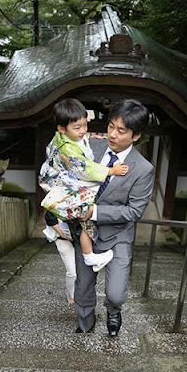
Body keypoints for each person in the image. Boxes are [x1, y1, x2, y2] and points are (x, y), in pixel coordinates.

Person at [71, 98, 154, 337]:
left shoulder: (142, 169)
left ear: (136, 136)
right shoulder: (91, 147)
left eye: (121, 130)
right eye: (110, 126)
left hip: (118, 235)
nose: (113, 134)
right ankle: (85, 323)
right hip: (86, 232)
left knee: (116, 292)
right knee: (83, 287)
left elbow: (134, 211)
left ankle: (113, 310)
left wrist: (94, 212)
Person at [39, 98, 129, 272]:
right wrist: (111, 171)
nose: (83, 131)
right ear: (61, 129)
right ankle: (90, 257)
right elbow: (85, 168)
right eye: (77, 127)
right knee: (86, 214)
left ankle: (62, 225)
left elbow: (86, 139)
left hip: (60, 182)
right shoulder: (66, 147)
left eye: (84, 125)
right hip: (61, 185)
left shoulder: (67, 137)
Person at [42, 210, 76, 303]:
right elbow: (50, 217)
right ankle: (71, 294)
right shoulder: (57, 196)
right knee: (72, 271)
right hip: (62, 236)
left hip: (82, 236)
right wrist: (62, 234)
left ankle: (82, 293)